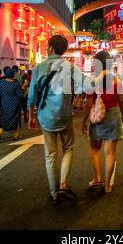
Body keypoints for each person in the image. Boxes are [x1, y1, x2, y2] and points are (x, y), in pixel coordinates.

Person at [27, 35, 80, 205]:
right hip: (65, 116)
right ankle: (64, 185)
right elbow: (84, 85)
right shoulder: (70, 67)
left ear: (50, 48)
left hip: (45, 116)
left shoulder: (38, 67)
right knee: (68, 148)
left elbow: (32, 95)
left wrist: (30, 116)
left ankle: (54, 194)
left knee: (50, 155)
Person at [81, 51, 123, 194]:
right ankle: (107, 185)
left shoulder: (91, 80)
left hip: (98, 115)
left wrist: (84, 121)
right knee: (110, 152)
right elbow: (121, 100)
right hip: (113, 113)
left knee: (94, 149)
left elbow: (88, 104)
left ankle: (97, 178)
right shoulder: (116, 79)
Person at [0, 69, 22, 143]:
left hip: (4, 103)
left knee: (4, 118)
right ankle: (16, 135)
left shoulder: (1, 82)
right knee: (15, 118)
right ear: (13, 75)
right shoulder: (15, 83)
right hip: (14, 103)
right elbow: (19, 94)